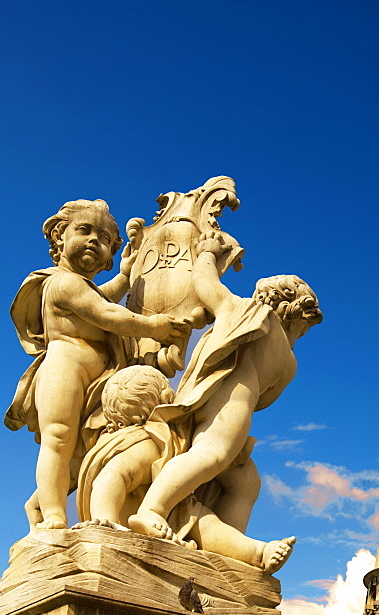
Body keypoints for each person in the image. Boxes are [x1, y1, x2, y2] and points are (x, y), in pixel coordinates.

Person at [5, 199, 190, 529]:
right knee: (59, 440)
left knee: (80, 456)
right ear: (59, 236)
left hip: (98, 380)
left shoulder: (83, 287)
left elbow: (101, 298)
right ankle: (53, 516)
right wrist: (155, 326)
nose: (95, 240)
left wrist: (124, 276)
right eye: (84, 230)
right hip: (64, 371)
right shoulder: (61, 282)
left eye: (105, 239)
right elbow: (107, 314)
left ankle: (36, 506)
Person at [128, 232, 322, 544]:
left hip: (241, 404)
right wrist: (207, 252)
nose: (303, 332)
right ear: (292, 309)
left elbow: (265, 398)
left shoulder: (288, 357)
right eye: (304, 324)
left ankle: (223, 549)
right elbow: (208, 288)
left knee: (246, 482)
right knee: (213, 452)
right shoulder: (257, 316)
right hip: (229, 393)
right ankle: (152, 509)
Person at [76, 365, 295, 573]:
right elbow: (111, 476)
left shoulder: (151, 441)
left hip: (168, 516)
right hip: (129, 521)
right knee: (204, 523)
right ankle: (257, 553)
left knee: (204, 522)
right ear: (163, 400)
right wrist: (105, 520)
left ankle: (258, 553)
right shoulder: (144, 443)